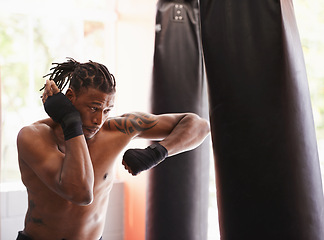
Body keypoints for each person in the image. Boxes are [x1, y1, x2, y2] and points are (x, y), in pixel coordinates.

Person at [16, 58, 210, 240]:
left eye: (107, 110)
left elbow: (199, 126)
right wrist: (71, 121)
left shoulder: (116, 130)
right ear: (70, 97)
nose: (99, 120)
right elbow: (81, 193)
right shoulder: (34, 137)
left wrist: (157, 152)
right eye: (94, 108)